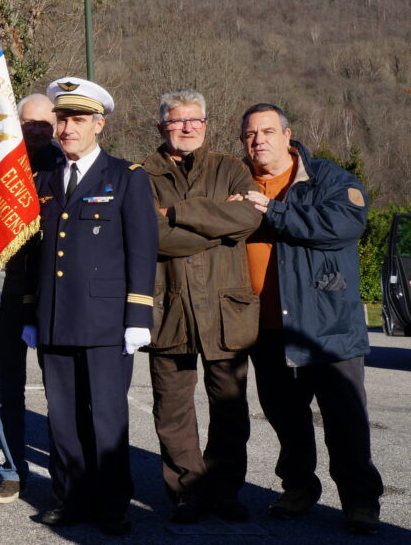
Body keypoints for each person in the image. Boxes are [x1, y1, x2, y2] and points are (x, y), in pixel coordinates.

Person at [239, 103, 384, 536]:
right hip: (265, 328)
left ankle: (360, 501)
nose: (258, 140)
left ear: (288, 135)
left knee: (345, 421)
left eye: (267, 131)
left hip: (326, 327)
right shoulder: (236, 180)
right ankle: (299, 488)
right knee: (287, 419)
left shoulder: (328, 179)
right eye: (249, 134)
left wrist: (273, 210)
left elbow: (343, 223)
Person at [25, 77, 157, 535]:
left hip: (105, 323)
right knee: (62, 417)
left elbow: (142, 249)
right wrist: (29, 312)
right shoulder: (43, 180)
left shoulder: (126, 177)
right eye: (62, 119)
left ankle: (113, 502)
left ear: (99, 124)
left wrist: (138, 316)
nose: (67, 128)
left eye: (78, 119)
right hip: (55, 318)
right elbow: (32, 255)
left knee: (106, 416)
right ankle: (70, 497)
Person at [139, 89, 261, 523]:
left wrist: (176, 212)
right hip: (168, 307)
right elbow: (147, 235)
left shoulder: (231, 168)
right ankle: (187, 492)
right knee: (172, 410)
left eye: (195, 120)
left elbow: (248, 218)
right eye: (177, 121)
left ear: (206, 125)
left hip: (225, 309)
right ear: (161, 126)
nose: (187, 128)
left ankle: (225, 492)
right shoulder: (140, 175)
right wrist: (215, 221)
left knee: (229, 410)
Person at [0, 93, 59, 504]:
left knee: (60, 389)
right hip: (7, 292)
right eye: (28, 122)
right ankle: (12, 471)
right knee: (7, 390)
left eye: (44, 123)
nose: (36, 130)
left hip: (53, 292)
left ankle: (67, 473)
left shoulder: (67, 164)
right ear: (16, 123)